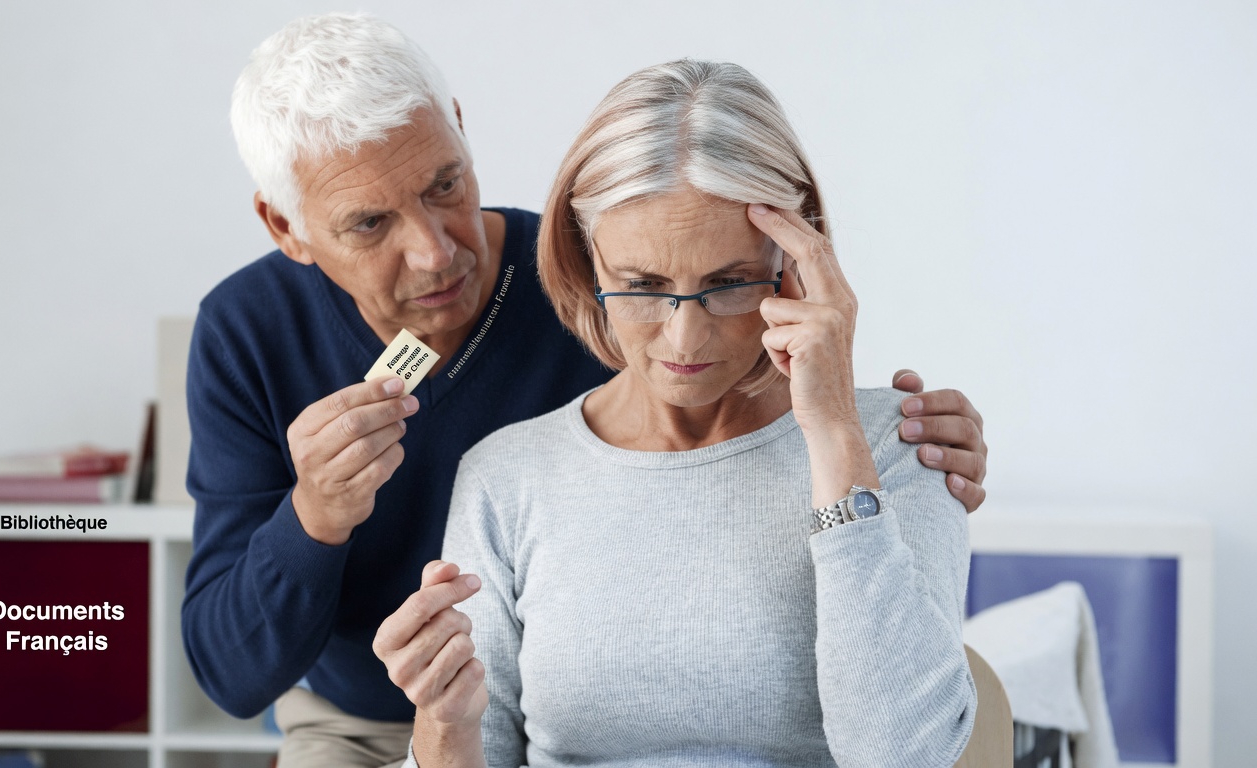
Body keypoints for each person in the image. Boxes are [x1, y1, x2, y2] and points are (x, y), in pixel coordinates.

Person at [183, 13, 988, 768]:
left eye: (444, 186)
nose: (434, 252)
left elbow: (903, 742)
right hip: (369, 716)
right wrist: (316, 515)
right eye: (369, 224)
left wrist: (856, 433)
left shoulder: (592, 265)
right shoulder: (251, 335)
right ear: (285, 227)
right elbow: (232, 674)